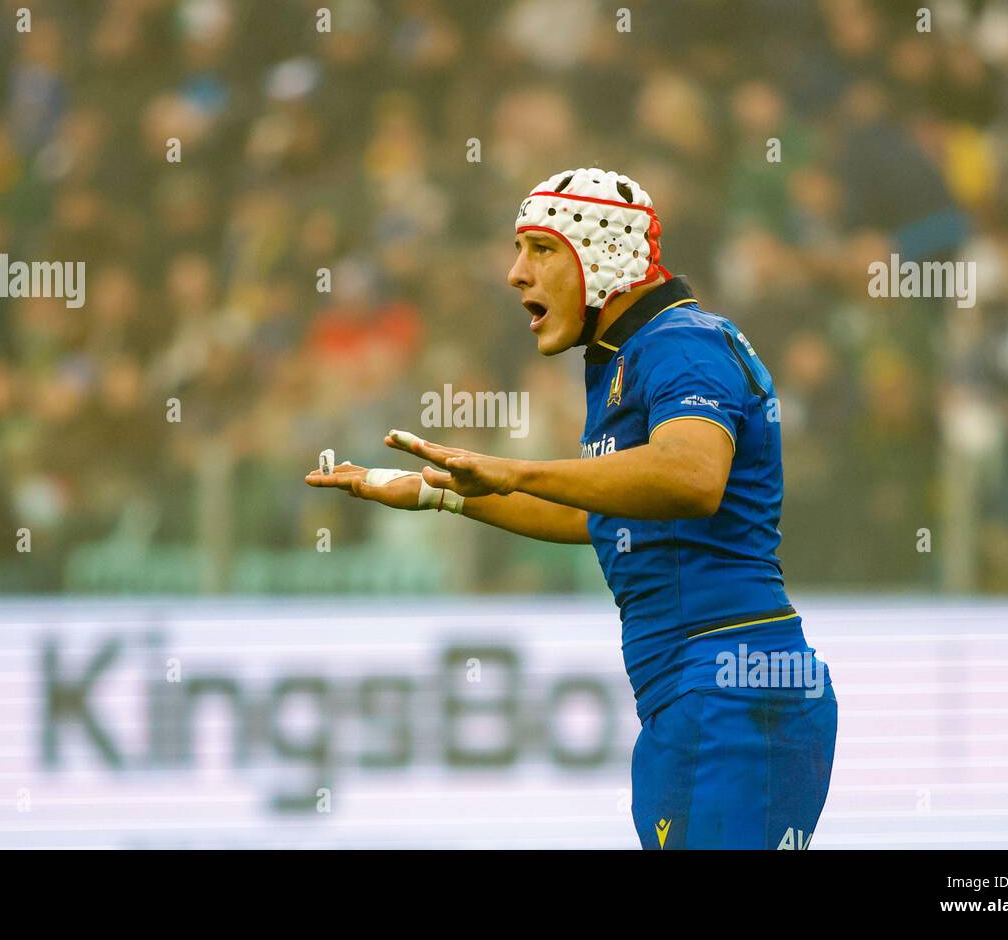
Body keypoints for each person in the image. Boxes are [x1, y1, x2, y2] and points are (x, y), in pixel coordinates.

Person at [306, 168, 837, 849]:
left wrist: (516, 467)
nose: (515, 274)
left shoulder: (681, 342)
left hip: (728, 685)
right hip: (700, 691)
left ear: (602, 253)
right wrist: (436, 492)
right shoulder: (626, 355)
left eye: (540, 249)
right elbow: (604, 517)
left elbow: (694, 475)